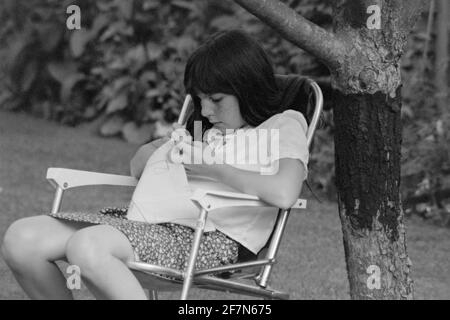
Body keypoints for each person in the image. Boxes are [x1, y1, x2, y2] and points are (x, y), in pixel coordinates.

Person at [1, 29, 309, 300]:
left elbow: (284, 192)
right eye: (200, 99)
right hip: (147, 224)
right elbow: (137, 168)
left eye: (216, 99)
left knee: (88, 246)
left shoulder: (282, 125)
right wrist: (167, 146)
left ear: (247, 88)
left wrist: (210, 166)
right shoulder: (204, 130)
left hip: (209, 237)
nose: (206, 109)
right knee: (22, 239)